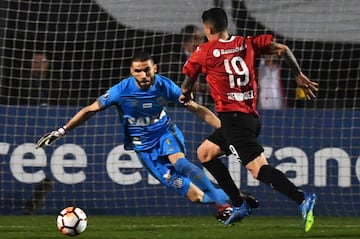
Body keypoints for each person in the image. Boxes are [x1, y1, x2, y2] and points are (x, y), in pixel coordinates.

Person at [35, 51, 258, 220]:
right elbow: (90, 110)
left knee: (181, 163)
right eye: (138, 71)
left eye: (147, 70)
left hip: (165, 134)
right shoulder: (121, 90)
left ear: (155, 68)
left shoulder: (164, 86)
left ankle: (224, 205)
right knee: (196, 197)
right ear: (132, 72)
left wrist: (227, 132)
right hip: (144, 148)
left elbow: (196, 108)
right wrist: (61, 131)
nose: (143, 75)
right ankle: (235, 196)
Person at [180, 8, 319, 230]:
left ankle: (302, 198)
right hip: (250, 118)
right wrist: (297, 74)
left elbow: (185, 87)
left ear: (209, 28)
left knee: (258, 169)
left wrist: (185, 96)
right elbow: (283, 49)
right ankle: (238, 204)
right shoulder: (248, 43)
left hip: (233, 120)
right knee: (205, 153)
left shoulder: (204, 51)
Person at [160, 25, 212, 106]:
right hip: (178, 108)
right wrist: (187, 86)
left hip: (206, 107)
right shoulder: (172, 60)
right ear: (184, 43)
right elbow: (166, 84)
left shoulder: (209, 60)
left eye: (201, 39)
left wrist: (204, 87)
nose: (199, 43)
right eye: (195, 39)